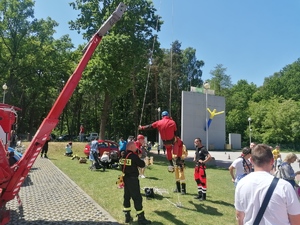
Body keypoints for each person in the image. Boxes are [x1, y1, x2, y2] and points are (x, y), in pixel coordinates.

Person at [235, 144, 300, 225]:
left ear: (251, 160)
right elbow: (296, 219)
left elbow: (239, 215)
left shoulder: (241, 183)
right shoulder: (284, 186)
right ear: (272, 161)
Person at [120, 141, 151, 225]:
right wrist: (141, 159)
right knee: (137, 198)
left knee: (127, 196)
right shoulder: (133, 156)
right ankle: (141, 218)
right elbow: (141, 164)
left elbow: (122, 166)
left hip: (125, 178)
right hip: (133, 179)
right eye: (134, 147)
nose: (136, 148)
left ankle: (127, 216)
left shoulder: (122, 155)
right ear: (130, 147)